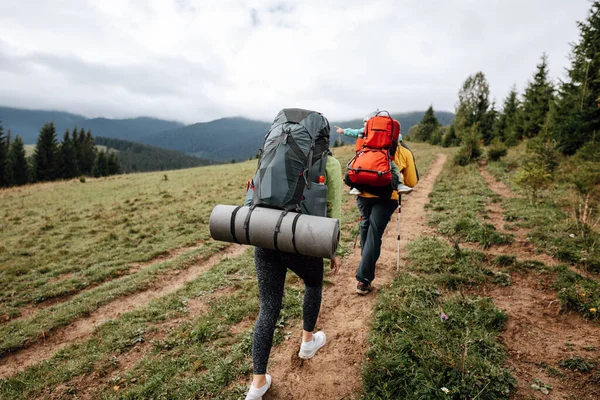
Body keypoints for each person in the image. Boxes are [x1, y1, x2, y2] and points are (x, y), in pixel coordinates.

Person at [245, 117, 343, 400]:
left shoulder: (273, 153)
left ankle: (257, 383)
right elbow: (334, 210)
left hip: (264, 234)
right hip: (301, 238)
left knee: (268, 307)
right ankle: (308, 341)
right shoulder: (331, 164)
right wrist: (333, 250)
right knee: (313, 284)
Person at [336, 112, 418, 295]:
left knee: (365, 224)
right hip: (387, 198)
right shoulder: (402, 151)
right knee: (374, 231)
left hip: (363, 195)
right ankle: (364, 279)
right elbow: (412, 182)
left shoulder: (366, 147)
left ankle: (367, 260)